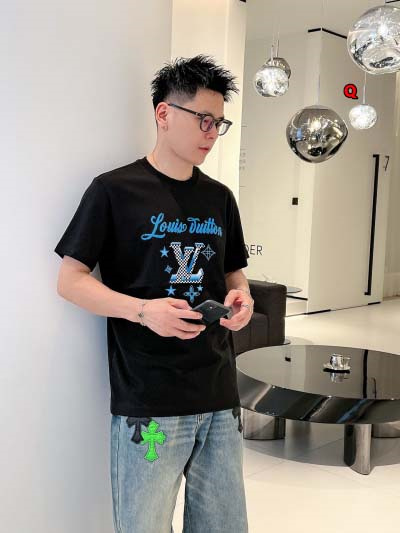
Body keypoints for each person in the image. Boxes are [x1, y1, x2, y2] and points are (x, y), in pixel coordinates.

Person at [55, 54, 253, 533]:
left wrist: (241, 299)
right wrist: (143, 311)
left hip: (219, 394)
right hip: (149, 401)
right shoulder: (113, 190)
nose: (212, 132)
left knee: (224, 527)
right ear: (164, 114)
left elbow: (233, 272)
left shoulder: (220, 197)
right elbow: (70, 280)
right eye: (203, 119)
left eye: (219, 122)